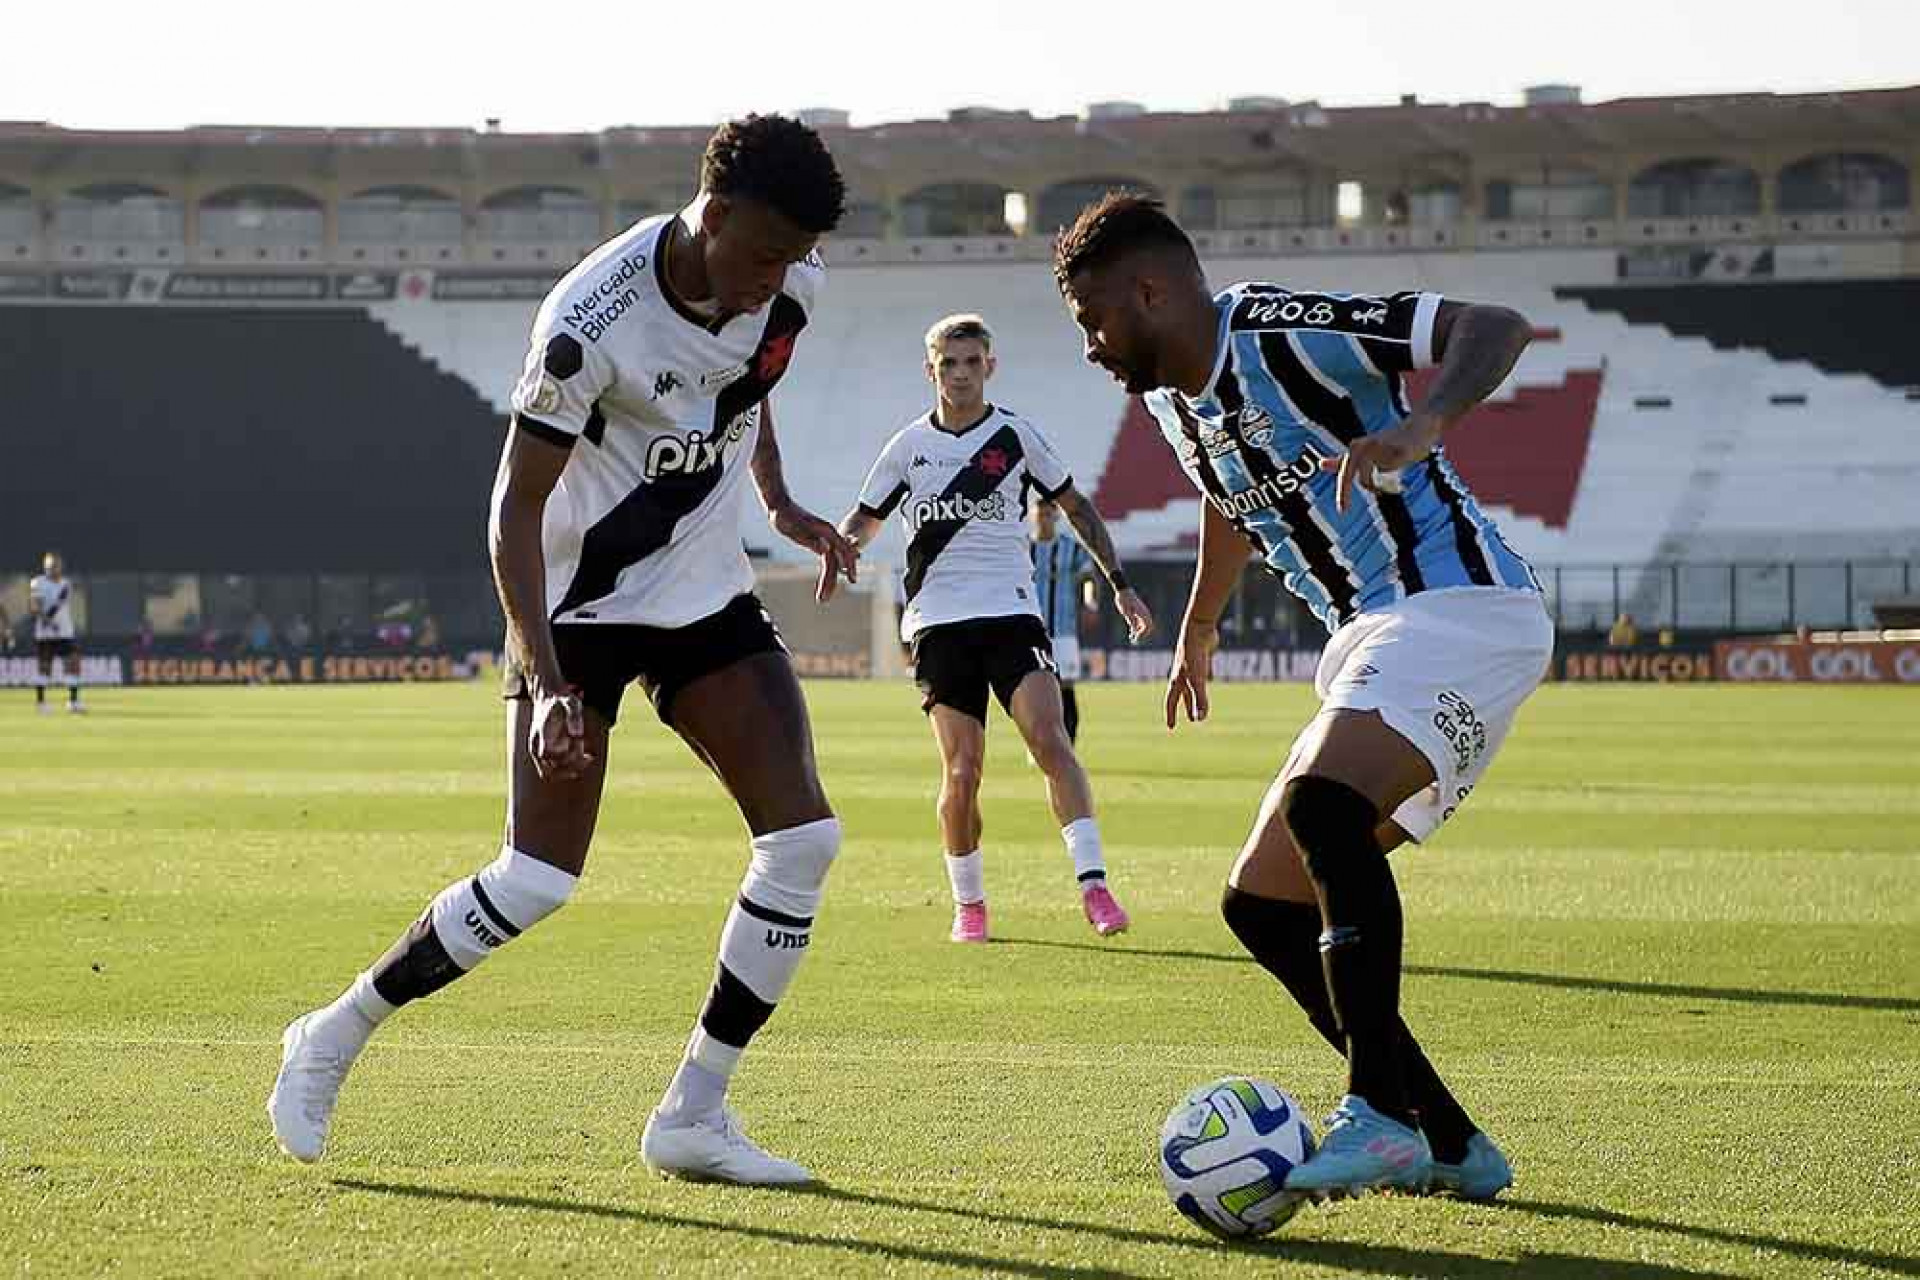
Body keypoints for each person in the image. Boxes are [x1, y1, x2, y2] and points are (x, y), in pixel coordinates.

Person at [269, 114, 858, 1186]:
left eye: (794, 258)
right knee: (536, 877)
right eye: (765, 252)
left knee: (804, 839)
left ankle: (694, 1111)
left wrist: (778, 500)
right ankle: (330, 1034)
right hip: (573, 606)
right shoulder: (592, 321)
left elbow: (748, 385)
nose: (778, 277)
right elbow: (512, 508)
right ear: (714, 215)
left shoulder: (792, 282)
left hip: (701, 589)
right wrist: (546, 684)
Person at [1054, 194, 1550, 1201]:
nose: (1093, 346)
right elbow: (1227, 489)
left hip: (1458, 603)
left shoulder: (1279, 330)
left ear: (1151, 291)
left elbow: (1495, 328)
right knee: (1262, 904)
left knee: (1323, 808)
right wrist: (1201, 623)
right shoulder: (1167, 400)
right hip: (1375, 636)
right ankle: (1447, 1138)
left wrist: (1422, 422)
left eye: (1096, 319)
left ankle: (1376, 1114)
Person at [839, 313, 1153, 944]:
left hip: (1012, 613)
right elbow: (864, 520)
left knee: (1051, 739)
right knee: (963, 771)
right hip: (938, 625)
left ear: (990, 366)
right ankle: (970, 905)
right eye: (948, 364)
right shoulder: (907, 449)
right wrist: (838, 551)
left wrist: (1120, 583)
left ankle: (1094, 886)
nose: (959, 374)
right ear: (931, 369)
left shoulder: (1014, 437)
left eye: (971, 362)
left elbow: (1076, 507)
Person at [1029, 498, 1099, 743]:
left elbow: (1088, 578)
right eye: (1040, 514)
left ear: (1056, 516)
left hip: (1063, 630)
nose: (1044, 519)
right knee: (1034, 690)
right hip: (1029, 632)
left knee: (1065, 687)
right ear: (1032, 516)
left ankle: (1068, 744)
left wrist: (1090, 602)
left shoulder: (1072, 548)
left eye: (1049, 514)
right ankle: (1039, 743)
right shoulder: (1022, 550)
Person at [29, 552, 83, 714]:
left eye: (56, 565)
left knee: (73, 664)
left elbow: (59, 605)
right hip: (45, 634)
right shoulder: (37, 583)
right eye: (50, 566)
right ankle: (41, 704)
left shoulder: (66, 584)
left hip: (65, 632)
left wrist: (53, 622)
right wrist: (47, 621)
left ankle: (73, 702)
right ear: (45, 567)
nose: (53, 568)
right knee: (44, 669)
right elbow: (34, 607)